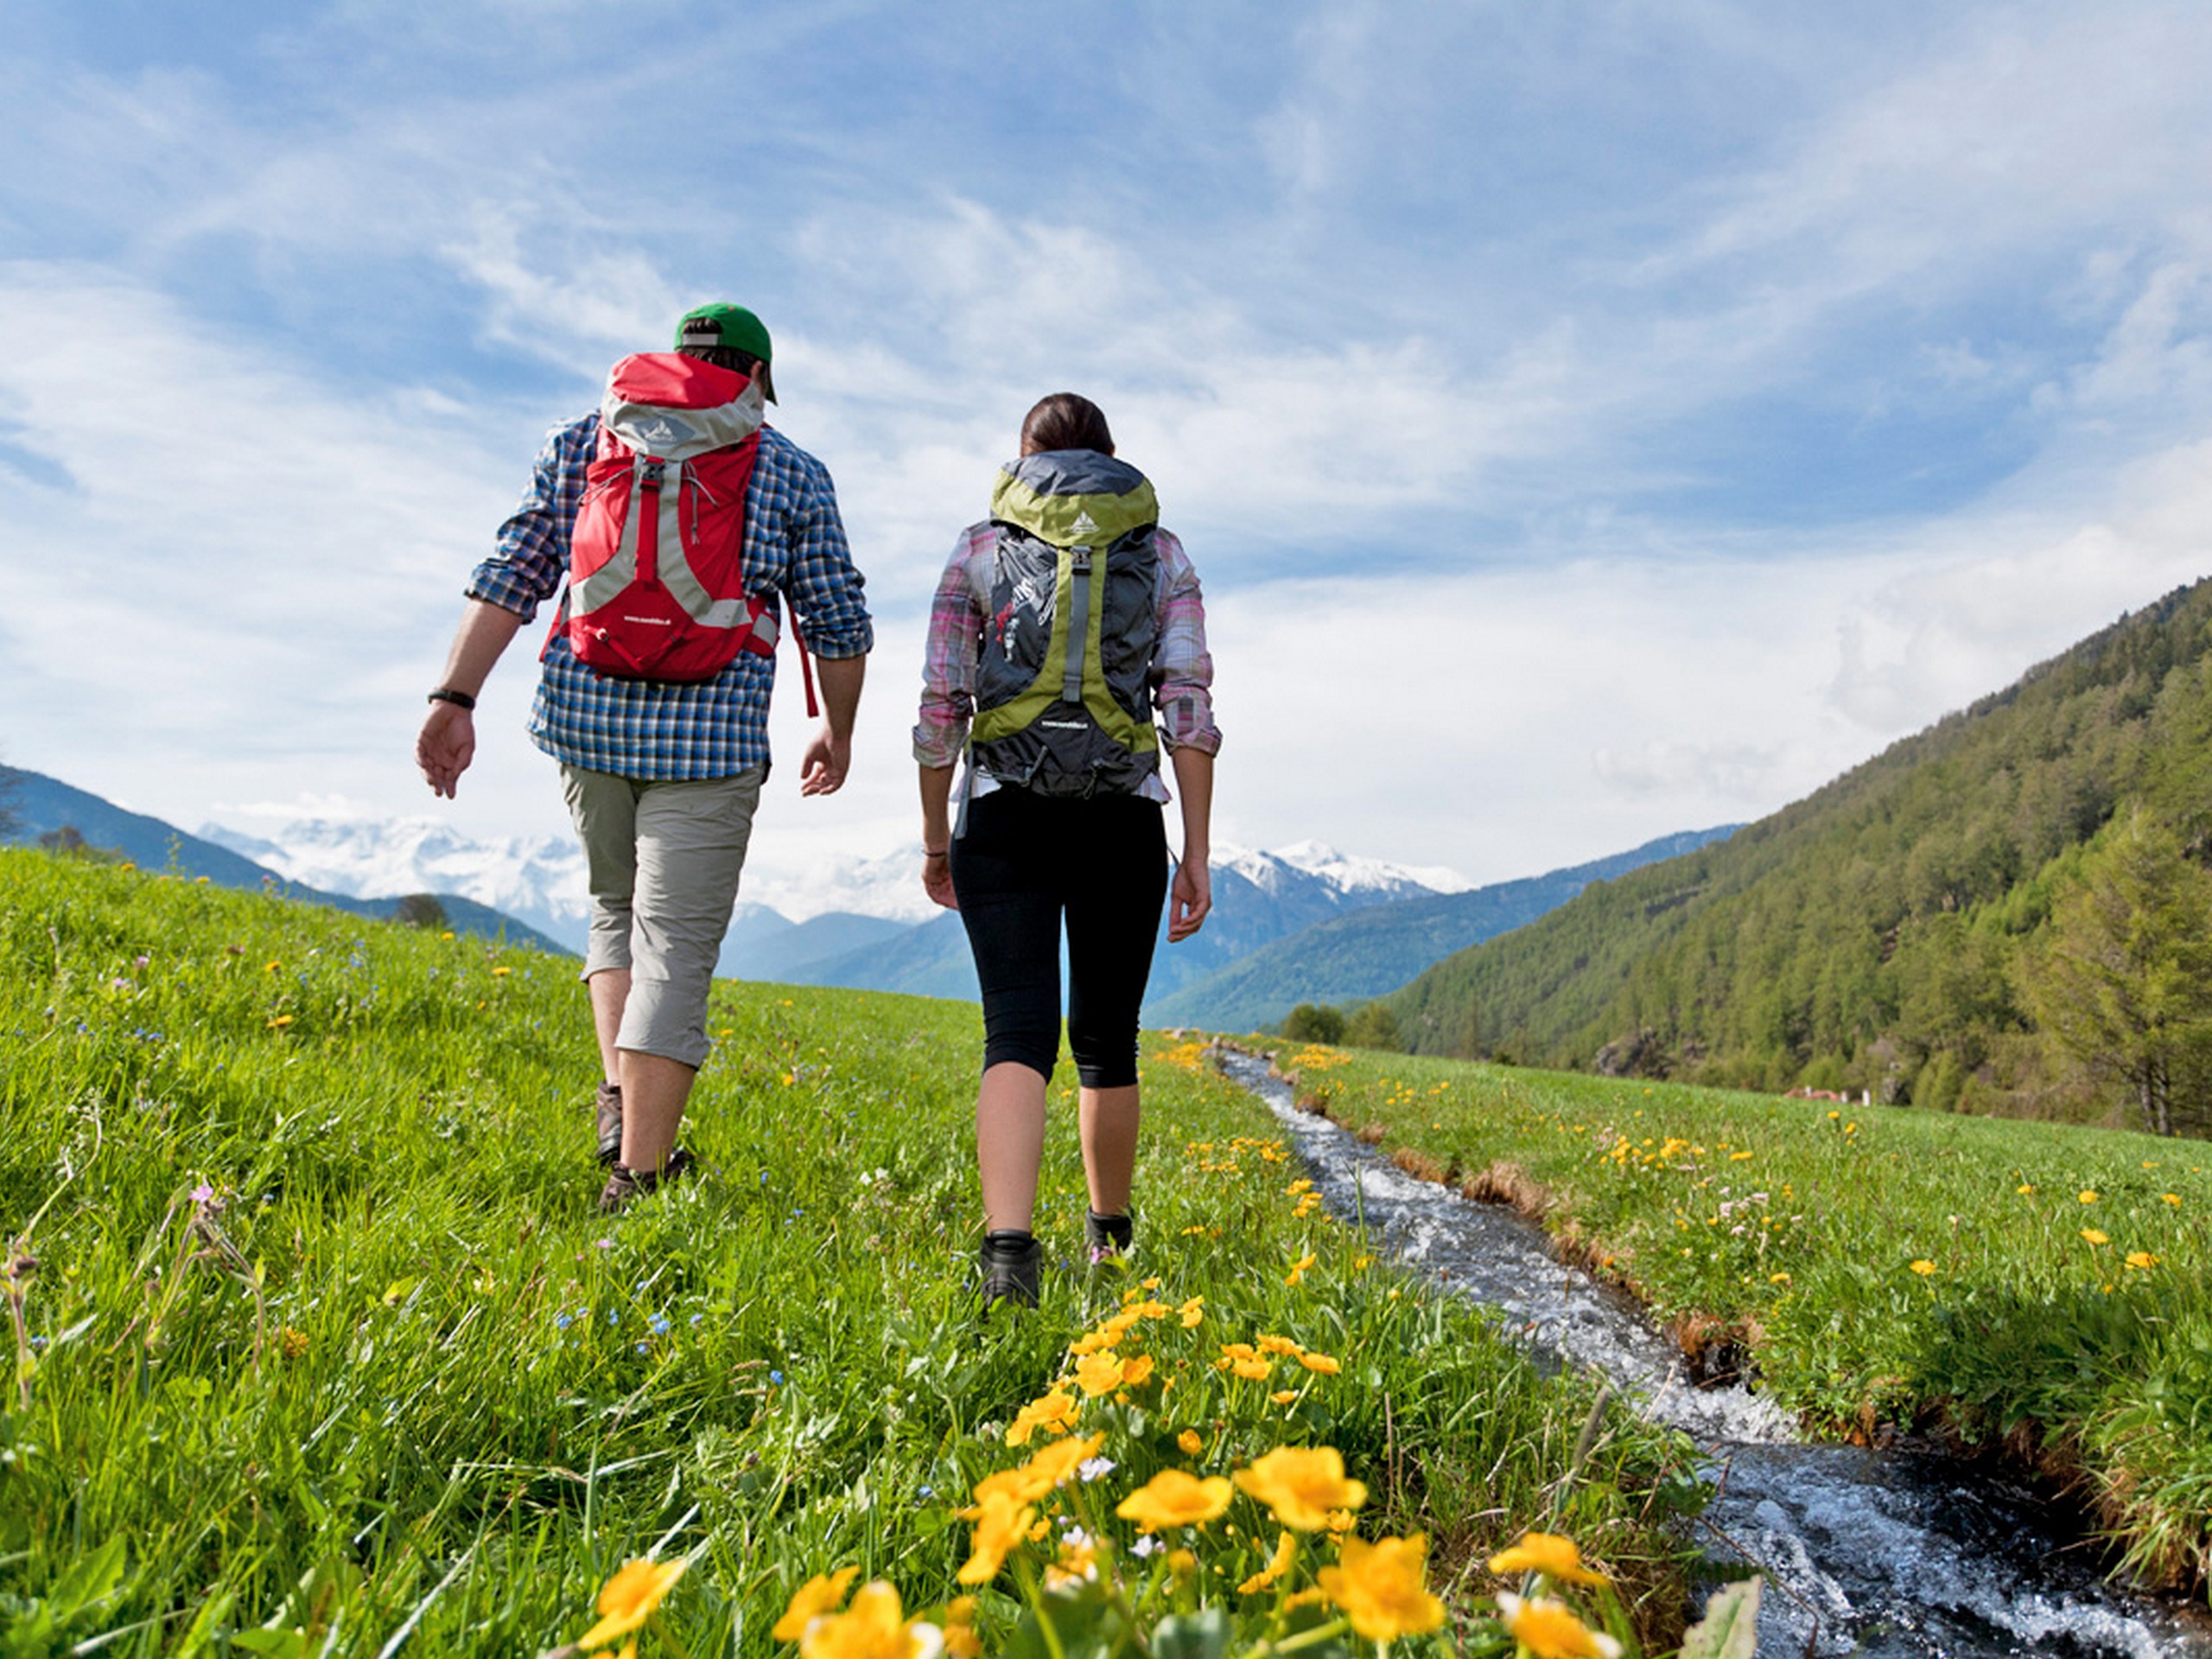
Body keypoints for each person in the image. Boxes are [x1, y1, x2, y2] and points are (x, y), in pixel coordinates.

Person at [416, 303, 872, 1213]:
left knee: (614, 910)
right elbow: (839, 619)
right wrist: (839, 727)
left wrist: (454, 696)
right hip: (711, 739)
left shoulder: (585, 439)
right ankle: (640, 1179)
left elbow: (515, 569)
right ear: (757, 376)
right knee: (676, 947)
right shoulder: (787, 468)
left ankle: (621, 1109)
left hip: (584, 720)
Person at [914, 391, 1218, 1307]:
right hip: (1120, 816)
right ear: (1112, 457)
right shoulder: (1160, 553)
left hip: (1001, 813)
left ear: (1024, 456)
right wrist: (1194, 852)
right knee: (1106, 1039)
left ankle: (1009, 1258)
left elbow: (939, 712)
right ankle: (1109, 1248)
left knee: (1014, 1031)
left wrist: (938, 837)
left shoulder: (978, 547)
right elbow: (1189, 709)